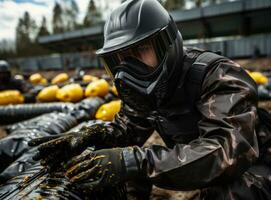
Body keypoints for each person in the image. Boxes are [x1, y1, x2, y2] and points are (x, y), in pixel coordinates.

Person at [29, 0, 271, 199]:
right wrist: (89, 136)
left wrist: (131, 161)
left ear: (167, 43)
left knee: (228, 194)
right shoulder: (147, 88)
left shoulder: (219, 76)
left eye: (140, 50)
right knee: (123, 165)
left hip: (255, 166)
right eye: (120, 58)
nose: (129, 67)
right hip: (205, 166)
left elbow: (225, 154)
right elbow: (126, 129)